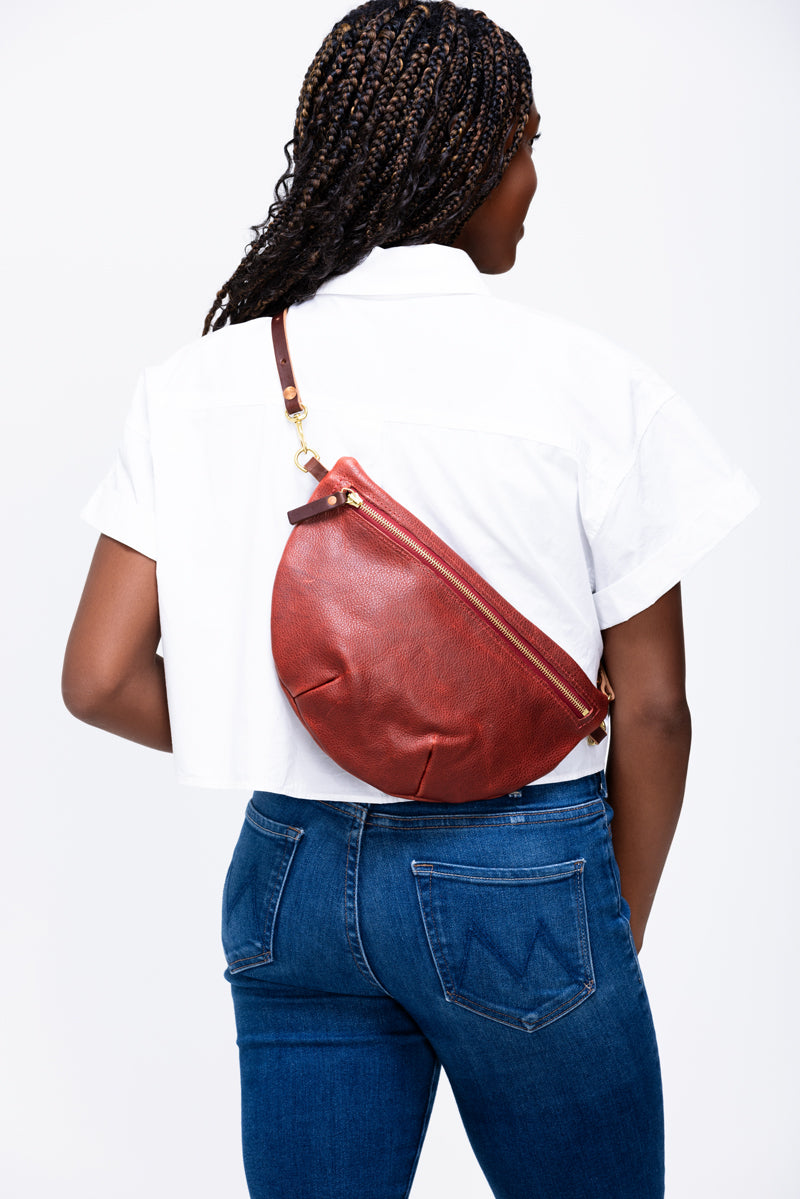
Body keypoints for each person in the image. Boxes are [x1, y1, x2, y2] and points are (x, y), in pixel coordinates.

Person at [61, 2, 759, 1196]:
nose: (535, 181)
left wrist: (305, 726)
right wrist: (608, 927)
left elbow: (100, 677)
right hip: (522, 875)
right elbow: (652, 711)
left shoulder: (196, 384)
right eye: (529, 144)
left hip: (286, 874)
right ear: (481, 155)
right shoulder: (590, 385)